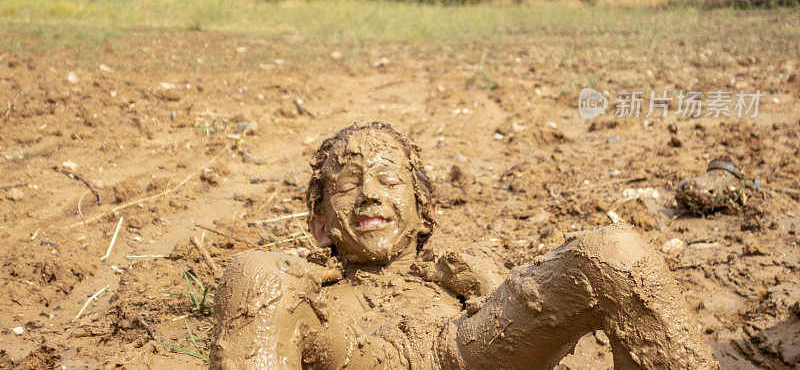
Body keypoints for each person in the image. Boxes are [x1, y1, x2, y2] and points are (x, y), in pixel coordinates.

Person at [209, 121, 718, 369]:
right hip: (350, 350)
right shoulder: (306, 295)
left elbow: (523, 339)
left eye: (389, 180)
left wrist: (491, 288)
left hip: (456, 352)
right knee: (254, 271)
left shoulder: (457, 271)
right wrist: (283, 281)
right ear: (320, 227)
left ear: (426, 213)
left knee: (616, 253)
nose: (368, 192)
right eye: (345, 185)